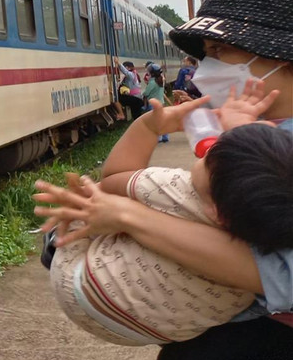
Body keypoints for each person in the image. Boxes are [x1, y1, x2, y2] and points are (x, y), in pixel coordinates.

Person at [35, 0, 293, 360]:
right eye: (206, 54)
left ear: (281, 60)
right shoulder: (238, 130)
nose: (208, 68)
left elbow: (283, 276)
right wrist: (138, 164)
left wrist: (130, 217)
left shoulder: (256, 145)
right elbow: (125, 184)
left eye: (223, 51)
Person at [45, 93, 291, 345]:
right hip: (160, 332)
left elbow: (114, 177)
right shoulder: (271, 235)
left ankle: (64, 233)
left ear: (217, 211)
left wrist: (149, 126)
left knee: (88, 195)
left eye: (209, 155)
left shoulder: (175, 189)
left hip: (81, 293)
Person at [142, 63, 170, 142]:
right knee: (162, 120)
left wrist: (143, 94)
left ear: (152, 73)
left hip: (153, 104)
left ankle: (158, 137)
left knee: (155, 122)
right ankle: (165, 137)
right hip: (161, 102)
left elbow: (147, 93)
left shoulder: (152, 82)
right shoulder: (161, 80)